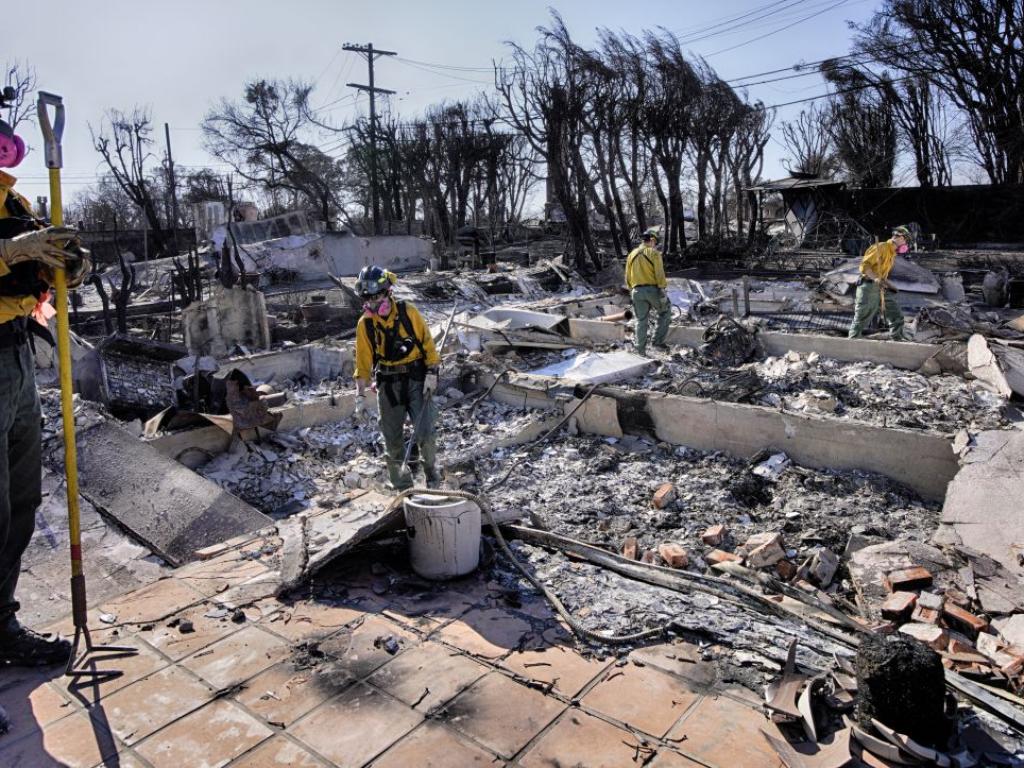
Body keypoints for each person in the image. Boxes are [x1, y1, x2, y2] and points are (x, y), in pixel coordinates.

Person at [0, 114, 89, 666]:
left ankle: (1, 621)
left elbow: (37, 292)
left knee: (20, 499)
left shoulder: (16, 207)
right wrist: (12, 252)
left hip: (15, 354)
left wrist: (65, 273)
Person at [353, 265, 440, 490]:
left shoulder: (408, 312)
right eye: (367, 299)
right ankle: (403, 487)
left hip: (416, 380)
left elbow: (428, 345)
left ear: (387, 293)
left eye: (376, 297)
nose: (372, 303)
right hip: (388, 385)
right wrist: (359, 396)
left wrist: (432, 373)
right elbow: (362, 364)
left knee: (426, 433)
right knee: (392, 440)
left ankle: (432, 476)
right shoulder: (366, 324)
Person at [847, 226, 909, 341]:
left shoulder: (891, 253)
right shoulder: (881, 247)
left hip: (880, 286)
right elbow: (865, 267)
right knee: (863, 316)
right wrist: (875, 279)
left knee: (895, 312)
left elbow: (882, 275)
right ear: (899, 238)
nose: (906, 244)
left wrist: (890, 286)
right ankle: (853, 341)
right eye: (906, 240)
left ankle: (897, 338)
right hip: (869, 286)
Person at [625, 229, 671, 356]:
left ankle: (640, 350)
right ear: (651, 240)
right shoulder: (653, 253)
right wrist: (662, 289)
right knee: (665, 311)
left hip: (636, 291)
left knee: (641, 320)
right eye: (654, 242)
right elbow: (659, 273)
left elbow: (627, 277)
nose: (655, 244)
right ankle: (657, 341)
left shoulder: (631, 254)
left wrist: (631, 291)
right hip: (652, 290)